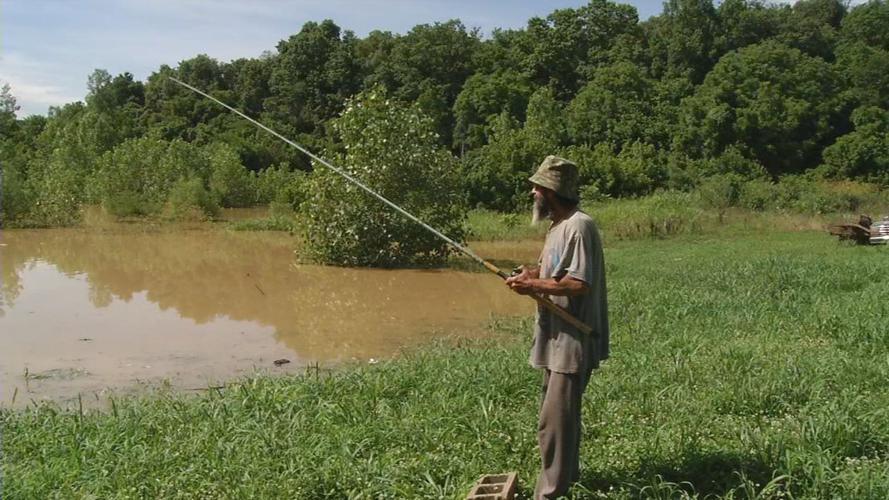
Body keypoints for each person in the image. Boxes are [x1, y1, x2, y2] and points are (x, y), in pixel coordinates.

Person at [505, 155, 609, 499]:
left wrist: (533, 288)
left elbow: (579, 283)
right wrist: (530, 277)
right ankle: (568, 477)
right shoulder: (558, 227)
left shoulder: (579, 226)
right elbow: (554, 275)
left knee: (554, 424)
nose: (532, 192)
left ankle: (549, 492)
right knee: (561, 418)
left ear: (549, 191)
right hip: (555, 340)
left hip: (572, 340)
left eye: (536, 187)